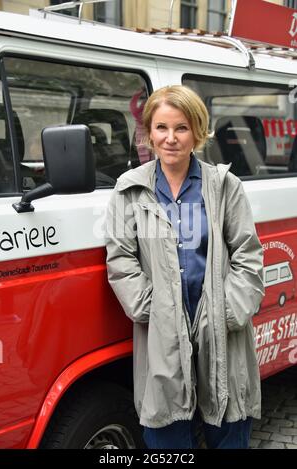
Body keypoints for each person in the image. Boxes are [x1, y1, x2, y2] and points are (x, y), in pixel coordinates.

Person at [105, 85, 264, 449]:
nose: (171, 138)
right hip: (162, 335)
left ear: (197, 131)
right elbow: (121, 257)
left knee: (228, 430)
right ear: (149, 132)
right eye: (162, 128)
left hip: (222, 335)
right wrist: (152, 308)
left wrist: (225, 313)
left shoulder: (225, 187)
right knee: (166, 438)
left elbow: (247, 255)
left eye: (181, 128)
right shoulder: (130, 190)